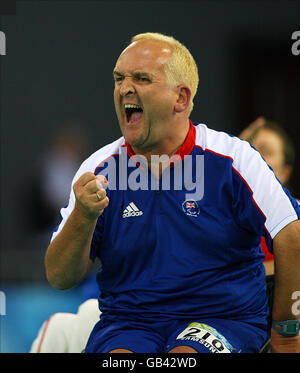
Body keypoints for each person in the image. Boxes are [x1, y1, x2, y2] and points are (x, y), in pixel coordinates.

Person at [45, 32, 300, 353]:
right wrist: (83, 216)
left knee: (184, 357)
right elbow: (59, 277)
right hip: (130, 324)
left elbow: (292, 236)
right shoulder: (98, 168)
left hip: (221, 319)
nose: (125, 88)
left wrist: (287, 333)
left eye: (141, 78)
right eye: (119, 78)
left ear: (181, 98)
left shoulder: (236, 159)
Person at [239, 117, 298, 275]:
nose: (255, 158)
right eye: (251, 150)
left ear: (286, 172)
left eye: (265, 151)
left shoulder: (295, 217)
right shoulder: (223, 213)